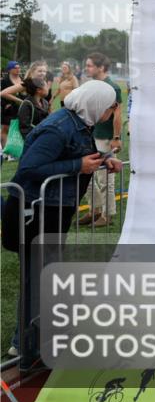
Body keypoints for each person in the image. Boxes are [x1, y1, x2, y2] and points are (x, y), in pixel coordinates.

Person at [1, 80, 123, 365]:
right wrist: (77, 167)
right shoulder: (59, 127)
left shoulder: (78, 121)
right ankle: (24, 346)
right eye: (110, 108)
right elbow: (29, 168)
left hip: (52, 210)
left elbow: (74, 153)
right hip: (35, 212)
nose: (110, 114)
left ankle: (42, 338)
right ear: (96, 105)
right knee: (36, 279)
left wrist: (104, 159)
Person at [78, 53, 123, 227]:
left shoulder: (113, 87)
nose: (86, 68)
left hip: (106, 138)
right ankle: (94, 210)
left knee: (106, 179)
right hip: (91, 137)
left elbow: (118, 114)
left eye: (89, 65)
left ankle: (108, 215)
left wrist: (116, 137)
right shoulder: (92, 85)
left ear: (101, 67)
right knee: (88, 177)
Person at [1, 61, 22, 145]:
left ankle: (16, 147)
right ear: (9, 70)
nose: (18, 69)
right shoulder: (4, 81)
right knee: (6, 128)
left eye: (18, 67)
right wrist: (5, 104)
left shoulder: (23, 79)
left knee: (19, 128)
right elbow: (1, 94)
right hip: (8, 108)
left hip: (21, 107)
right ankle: (6, 151)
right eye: (15, 68)